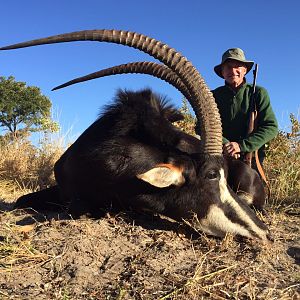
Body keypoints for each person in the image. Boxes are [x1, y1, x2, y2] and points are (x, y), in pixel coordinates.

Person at [212, 48, 278, 168]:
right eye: (228, 67)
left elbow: (271, 127)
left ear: (245, 70)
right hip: (220, 155)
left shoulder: (259, 93)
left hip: (251, 157)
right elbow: (201, 127)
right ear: (222, 72)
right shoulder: (212, 96)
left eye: (238, 66)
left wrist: (241, 146)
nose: (233, 70)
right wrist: (226, 144)